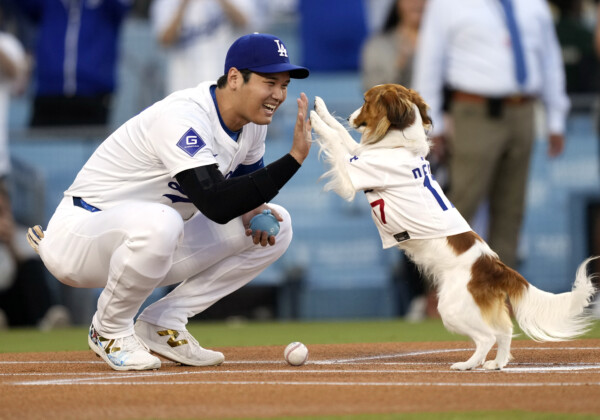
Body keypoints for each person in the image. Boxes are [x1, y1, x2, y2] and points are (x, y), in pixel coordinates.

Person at [26, 32, 311, 371]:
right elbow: (216, 203)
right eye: (269, 82)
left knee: (279, 225)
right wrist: (293, 158)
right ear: (235, 77)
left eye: (285, 85)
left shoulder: (251, 126)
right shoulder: (183, 116)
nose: (279, 95)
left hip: (151, 244)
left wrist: (254, 212)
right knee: (163, 221)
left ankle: (163, 321)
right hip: (81, 236)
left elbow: (244, 193)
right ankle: (109, 329)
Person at [412, 0, 570, 270]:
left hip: (523, 110)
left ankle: (500, 294)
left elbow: (549, 60)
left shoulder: (534, 5)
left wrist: (556, 116)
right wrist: (429, 123)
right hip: (473, 111)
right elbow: (429, 62)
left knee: (511, 210)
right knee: (461, 206)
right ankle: (440, 290)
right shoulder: (446, 4)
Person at [360, 0, 434, 320]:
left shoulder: (443, 38)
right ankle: (419, 299)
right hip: (397, 148)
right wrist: (403, 60)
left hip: (443, 144)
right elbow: (373, 99)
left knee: (448, 218)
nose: (417, 4)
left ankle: (451, 294)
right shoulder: (380, 45)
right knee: (408, 223)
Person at [14, 0, 132, 126]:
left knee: (96, 144)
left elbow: (122, 8)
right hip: (48, 95)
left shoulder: (105, 5)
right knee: (39, 144)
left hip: (93, 97)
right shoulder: (49, 4)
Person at [150, 0, 263, 94]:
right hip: (185, 86)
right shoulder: (166, 3)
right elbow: (165, 40)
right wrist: (183, 5)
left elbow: (245, 22)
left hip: (225, 80)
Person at [0, 183, 70, 329]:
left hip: (21, 307)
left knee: (31, 266)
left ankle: (46, 319)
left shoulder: (21, 235)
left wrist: (10, 244)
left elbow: (32, 272)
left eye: (2, 212)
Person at [360, 0, 426, 91]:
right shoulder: (377, 46)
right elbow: (373, 93)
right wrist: (400, 68)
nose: (417, 3)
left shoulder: (445, 44)